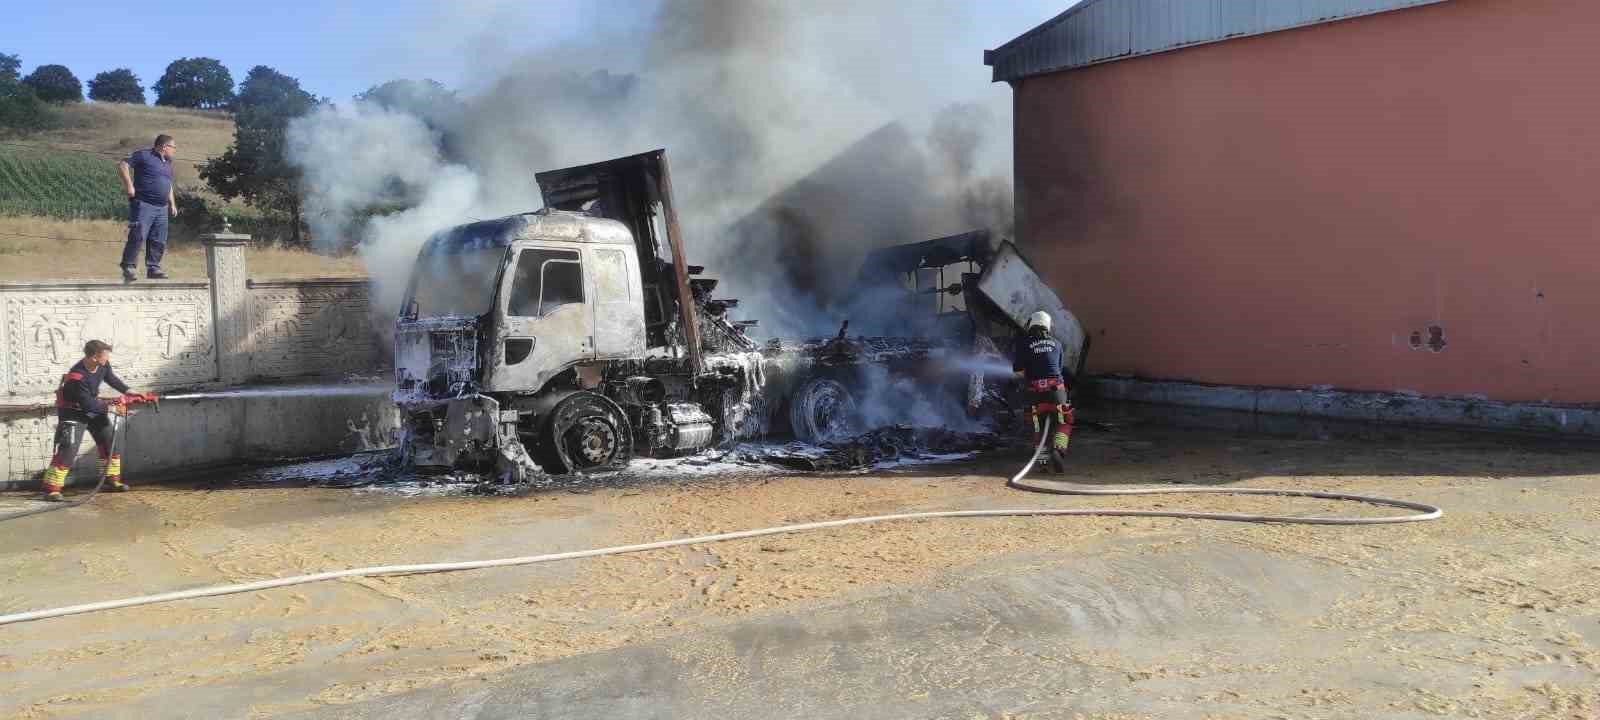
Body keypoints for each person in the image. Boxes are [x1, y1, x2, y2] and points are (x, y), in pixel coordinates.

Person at [41, 340, 153, 501]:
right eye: (105, 355)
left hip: (94, 409)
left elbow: (112, 379)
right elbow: (88, 405)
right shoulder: (77, 377)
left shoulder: (103, 365)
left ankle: (111, 480)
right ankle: (51, 489)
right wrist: (114, 405)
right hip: (73, 413)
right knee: (68, 449)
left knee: (109, 443)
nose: (107, 358)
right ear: (94, 357)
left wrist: (131, 393)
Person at [1013, 310, 1074, 475]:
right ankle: (1058, 450)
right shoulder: (1057, 344)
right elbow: (1058, 369)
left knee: (1038, 427)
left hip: (1035, 394)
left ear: (1031, 325)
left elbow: (1018, 372)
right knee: (1064, 421)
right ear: (1047, 326)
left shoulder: (1024, 344)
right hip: (1057, 392)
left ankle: (1042, 463)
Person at [117, 134, 179, 283]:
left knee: (158, 239)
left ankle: (153, 268)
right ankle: (129, 267)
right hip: (143, 204)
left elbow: (168, 184)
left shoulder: (168, 163)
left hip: (162, 208)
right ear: (165, 146)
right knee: (137, 235)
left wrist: (172, 203)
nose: (175, 150)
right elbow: (123, 165)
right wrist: (129, 185)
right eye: (173, 147)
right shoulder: (144, 155)